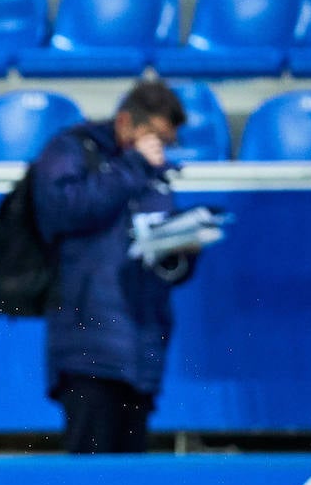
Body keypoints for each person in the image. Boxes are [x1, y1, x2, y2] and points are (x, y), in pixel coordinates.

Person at [33, 79, 200, 454]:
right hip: (88, 345)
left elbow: (154, 245)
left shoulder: (151, 171)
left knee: (129, 484)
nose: (159, 148)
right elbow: (63, 210)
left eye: (166, 141)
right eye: (153, 135)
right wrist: (135, 164)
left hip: (141, 348)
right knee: (90, 478)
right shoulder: (72, 150)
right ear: (125, 122)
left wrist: (181, 251)